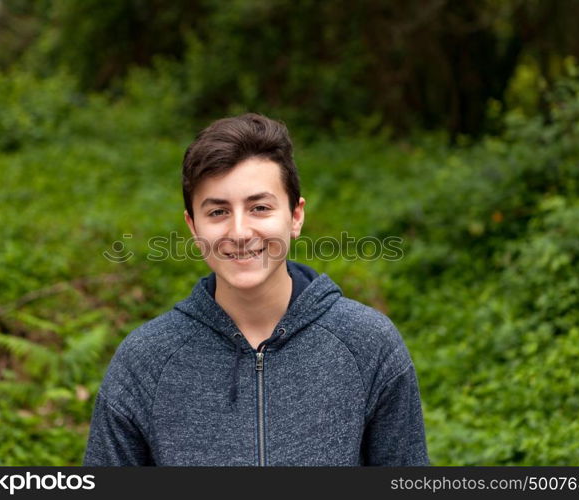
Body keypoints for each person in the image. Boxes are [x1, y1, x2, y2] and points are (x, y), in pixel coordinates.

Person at [83, 113, 429, 466]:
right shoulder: (145, 361)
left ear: (295, 216)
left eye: (259, 208)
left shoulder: (368, 345)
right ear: (193, 226)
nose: (239, 232)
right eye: (217, 212)